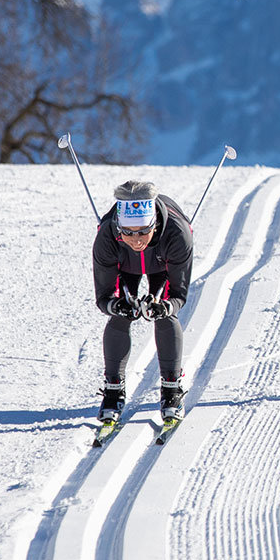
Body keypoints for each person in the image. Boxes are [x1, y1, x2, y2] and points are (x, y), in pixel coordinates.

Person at [92, 179, 193, 422]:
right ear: (119, 226)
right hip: (124, 263)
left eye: (143, 232)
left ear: (155, 225)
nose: (136, 240)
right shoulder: (107, 235)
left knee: (165, 314)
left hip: (162, 260)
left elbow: (178, 293)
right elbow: (104, 296)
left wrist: (165, 305)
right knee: (120, 315)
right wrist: (117, 305)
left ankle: (172, 388)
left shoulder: (178, 234)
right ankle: (113, 388)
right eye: (128, 232)